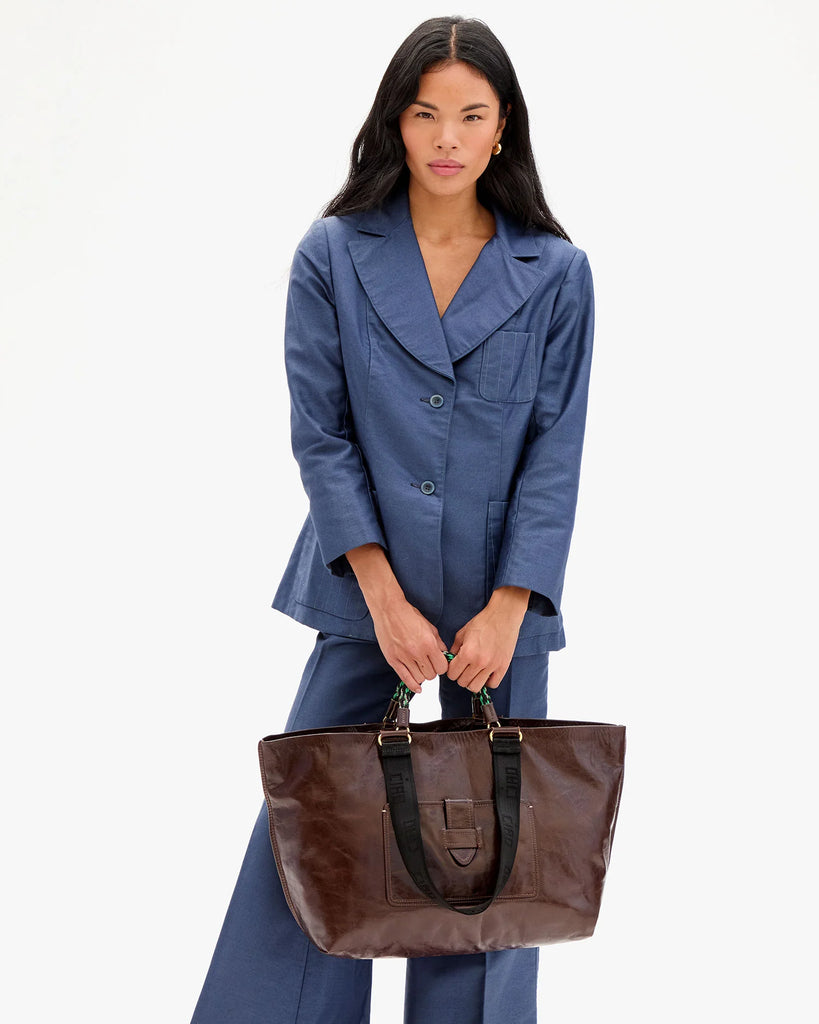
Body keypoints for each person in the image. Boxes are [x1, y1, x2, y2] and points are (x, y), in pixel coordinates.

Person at [190, 14, 595, 1024]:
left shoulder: (556, 272)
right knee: (315, 835)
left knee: (492, 862)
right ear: (394, 122)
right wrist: (379, 596)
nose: (446, 137)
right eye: (424, 114)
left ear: (503, 128)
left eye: (471, 115)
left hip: (502, 603)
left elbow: (556, 449)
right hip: (363, 590)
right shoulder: (331, 255)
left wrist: (511, 605)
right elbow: (321, 436)